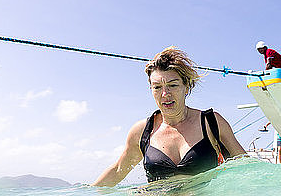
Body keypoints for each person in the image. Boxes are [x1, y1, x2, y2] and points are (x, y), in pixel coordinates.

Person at [93, 47, 246, 186]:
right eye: (157, 87)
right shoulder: (142, 131)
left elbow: (246, 167)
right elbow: (118, 170)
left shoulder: (211, 122)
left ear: (186, 87)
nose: (165, 94)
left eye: (173, 85)